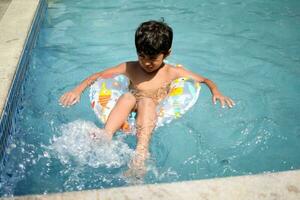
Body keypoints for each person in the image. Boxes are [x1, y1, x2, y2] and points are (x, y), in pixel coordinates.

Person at [59, 20, 235, 176]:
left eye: (152, 58)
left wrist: (216, 92)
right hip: (131, 103)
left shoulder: (172, 72)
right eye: (141, 57)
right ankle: (106, 135)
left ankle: (141, 152)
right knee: (129, 97)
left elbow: (204, 80)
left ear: (166, 54)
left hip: (151, 107)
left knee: (146, 101)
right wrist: (77, 90)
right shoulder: (130, 67)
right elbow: (98, 75)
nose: (146, 63)